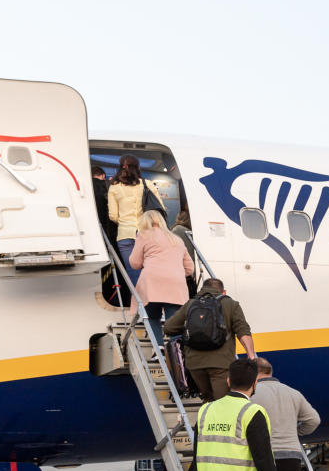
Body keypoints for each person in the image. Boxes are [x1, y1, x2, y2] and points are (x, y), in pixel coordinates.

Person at [162, 278, 256, 402]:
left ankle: (206, 420)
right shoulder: (231, 304)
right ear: (224, 292)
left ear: (202, 290)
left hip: (195, 364)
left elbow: (168, 328)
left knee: (207, 399)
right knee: (222, 403)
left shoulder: (191, 304)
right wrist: (251, 356)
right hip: (221, 364)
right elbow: (243, 331)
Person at [128, 210, 194, 346]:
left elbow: (134, 263)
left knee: (152, 317)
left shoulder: (144, 235)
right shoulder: (176, 239)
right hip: (176, 284)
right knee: (174, 322)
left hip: (152, 283)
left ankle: (159, 350)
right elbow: (190, 268)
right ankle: (176, 352)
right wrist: (176, 272)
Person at [108, 154, 164, 286]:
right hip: (148, 233)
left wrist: (125, 222)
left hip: (125, 234)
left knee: (133, 272)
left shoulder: (114, 187)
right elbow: (160, 208)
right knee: (151, 270)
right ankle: (153, 303)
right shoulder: (147, 184)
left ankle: (140, 304)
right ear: (138, 167)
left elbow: (113, 216)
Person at [91, 165, 117, 247]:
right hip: (107, 223)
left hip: (93, 223)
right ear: (103, 175)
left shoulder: (88, 185)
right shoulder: (108, 184)